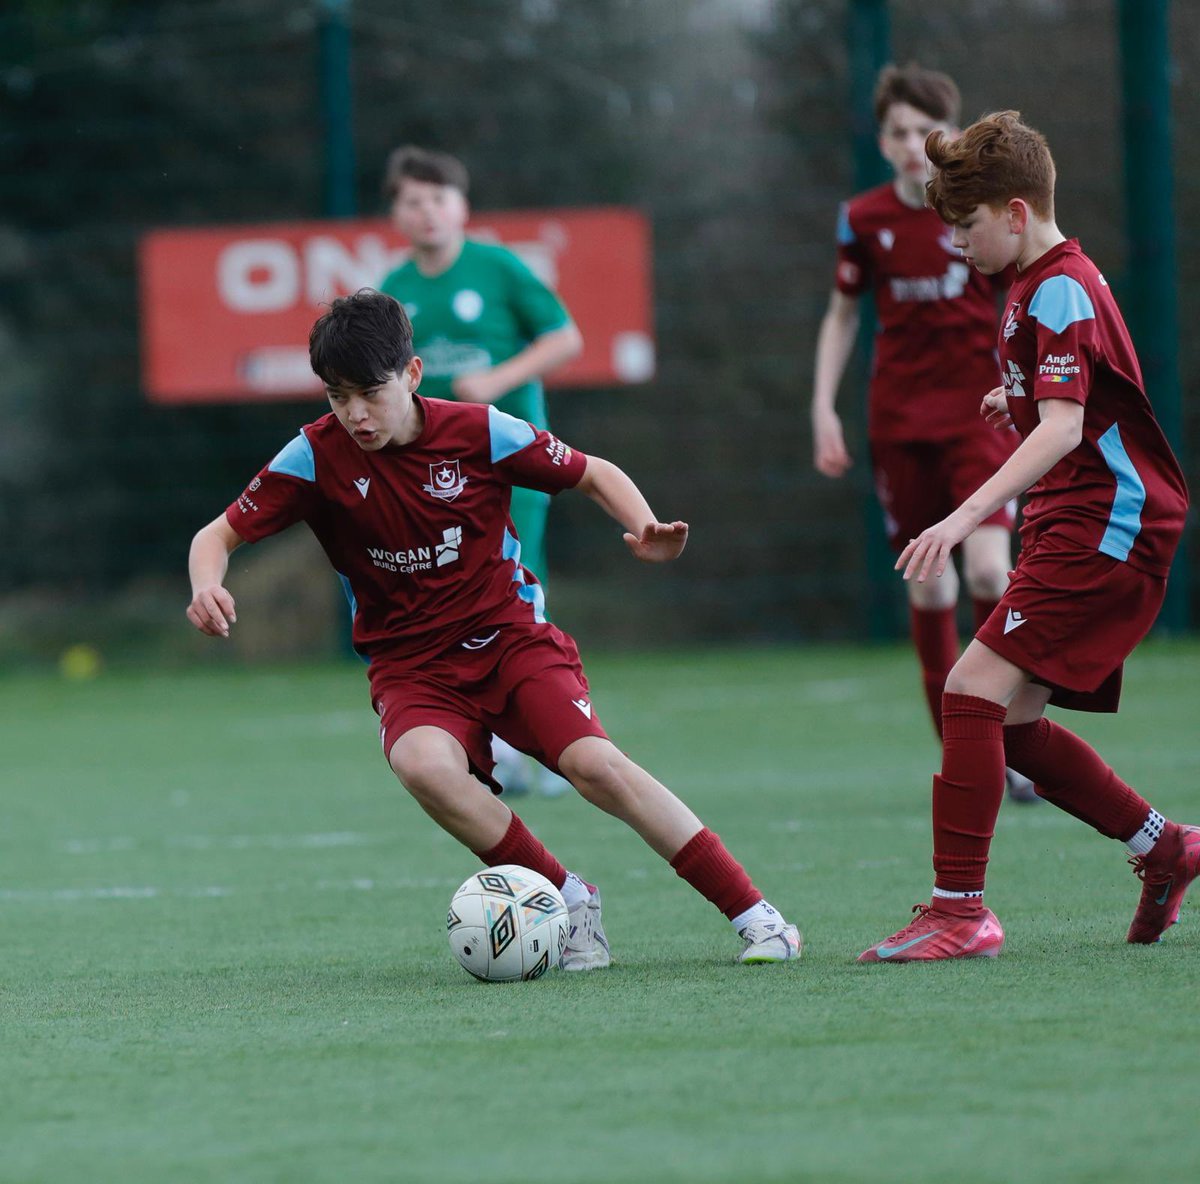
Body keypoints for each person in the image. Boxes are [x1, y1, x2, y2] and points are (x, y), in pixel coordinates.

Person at [187, 289, 802, 968]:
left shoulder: (480, 431)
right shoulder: (313, 455)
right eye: (338, 396)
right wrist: (207, 582)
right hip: (410, 664)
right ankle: (569, 900)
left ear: (413, 375)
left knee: (596, 767)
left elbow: (592, 472)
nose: (355, 413)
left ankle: (758, 916)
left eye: (370, 391)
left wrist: (644, 524)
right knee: (421, 764)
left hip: (508, 637)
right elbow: (215, 534)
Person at [858, 111, 1194, 963]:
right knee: (1004, 722)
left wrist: (966, 511)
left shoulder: (1057, 284)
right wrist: (1014, 402)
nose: (959, 244)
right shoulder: (1035, 280)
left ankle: (959, 912)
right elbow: (1077, 399)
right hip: (1080, 516)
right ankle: (1165, 847)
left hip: (1105, 523)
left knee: (968, 690)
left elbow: (1064, 428)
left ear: (1015, 211)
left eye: (967, 227)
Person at [811, 63, 1037, 803]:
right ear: (881, 140)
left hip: (980, 416)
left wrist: (1022, 380)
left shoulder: (979, 215)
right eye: (897, 132)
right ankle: (969, 759)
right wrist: (823, 406)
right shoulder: (863, 219)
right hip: (900, 423)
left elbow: (1024, 297)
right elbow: (843, 315)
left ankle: (1012, 730)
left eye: (923, 130)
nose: (911, 144)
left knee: (983, 571)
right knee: (931, 586)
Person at [379, 145, 583, 796]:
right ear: (397, 213)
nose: (428, 211)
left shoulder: (498, 267)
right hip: (431, 473)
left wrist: (497, 379)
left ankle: (560, 736)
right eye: (414, 200)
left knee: (515, 584)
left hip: (509, 460)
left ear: (461, 207)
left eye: (439, 198)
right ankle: (495, 744)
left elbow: (565, 336)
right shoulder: (393, 290)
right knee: (450, 594)